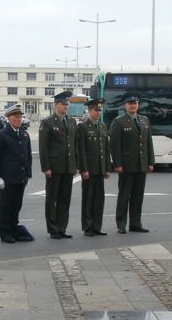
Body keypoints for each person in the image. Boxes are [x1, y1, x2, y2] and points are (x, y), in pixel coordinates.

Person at [109, 95, 155, 234]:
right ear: (125, 106)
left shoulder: (144, 120)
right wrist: (117, 164)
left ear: (138, 105)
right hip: (126, 165)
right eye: (130, 104)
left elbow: (148, 142)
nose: (133, 106)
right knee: (124, 195)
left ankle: (135, 223)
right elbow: (114, 145)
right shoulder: (119, 122)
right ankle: (121, 224)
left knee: (138, 196)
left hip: (141, 164)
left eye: (135, 103)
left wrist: (151, 162)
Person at [39, 90, 78, 239]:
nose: (66, 106)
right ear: (56, 104)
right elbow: (44, 147)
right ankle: (53, 228)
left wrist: (75, 165)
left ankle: (62, 227)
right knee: (52, 199)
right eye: (63, 104)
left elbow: (73, 145)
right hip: (54, 167)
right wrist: (46, 167)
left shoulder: (71, 121)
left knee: (64, 199)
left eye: (67, 104)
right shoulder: (48, 122)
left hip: (68, 167)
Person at [0, 105, 33, 243]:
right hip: (7, 177)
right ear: (9, 118)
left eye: (20, 117)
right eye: (16, 117)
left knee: (16, 205)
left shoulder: (24, 133)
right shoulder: (2, 134)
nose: (18, 119)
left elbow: (27, 155)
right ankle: (5, 232)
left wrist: (28, 173)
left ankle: (14, 229)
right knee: (6, 206)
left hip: (20, 176)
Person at [76, 98, 111, 237]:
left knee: (99, 199)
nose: (98, 113)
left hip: (100, 169)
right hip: (89, 169)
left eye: (99, 110)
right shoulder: (83, 127)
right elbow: (81, 150)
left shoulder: (103, 127)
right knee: (88, 198)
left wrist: (108, 167)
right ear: (89, 111)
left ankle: (97, 226)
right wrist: (83, 169)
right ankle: (87, 226)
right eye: (96, 110)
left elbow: (106, 150)